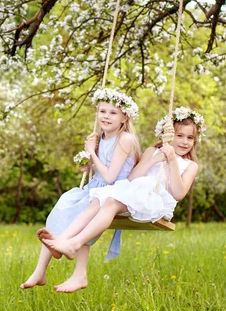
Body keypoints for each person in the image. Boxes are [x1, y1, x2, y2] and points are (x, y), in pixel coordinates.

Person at [37, 107, 205, 266]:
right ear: (166, 135)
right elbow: (133, 177)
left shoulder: (190, 165)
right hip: (133, 190)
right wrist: (155, 159)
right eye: (179, 135)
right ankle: (63, 239)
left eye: (190, 138)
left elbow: (178, 193)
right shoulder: (152, 151)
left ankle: (75, 243)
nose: (184, 142)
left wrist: (173, 161)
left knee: (110, 202)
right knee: (97, 201)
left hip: (155, 200)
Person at [20, 88, 141, 292]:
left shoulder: (125, 139)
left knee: (84, 208)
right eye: (102, 111)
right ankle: (40, 270)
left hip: (113, 192)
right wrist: (89, 164)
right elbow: (100, 170)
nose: (106, 116)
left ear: (124, 117)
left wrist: (91, 154)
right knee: (63, 205)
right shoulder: (100, 137)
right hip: (94, 189)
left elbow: (111, 177)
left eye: (113, 112)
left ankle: (74, 264)